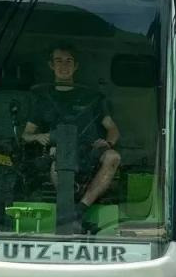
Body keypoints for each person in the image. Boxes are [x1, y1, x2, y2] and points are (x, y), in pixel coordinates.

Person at [21, 44, 121, 225]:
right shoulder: (42, 100)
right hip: (57, 151)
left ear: (76, 66)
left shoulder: (92, 97)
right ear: (51, 65)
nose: (64, 66)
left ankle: (80, 208)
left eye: (69, 61)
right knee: (57, 163)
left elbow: (112, 128)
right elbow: (26, 134)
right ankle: (68, 209)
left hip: (89, 151)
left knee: (113, 157)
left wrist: (107, 143)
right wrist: (38, 137)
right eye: (59, 61)